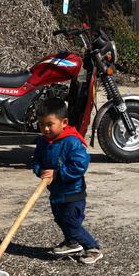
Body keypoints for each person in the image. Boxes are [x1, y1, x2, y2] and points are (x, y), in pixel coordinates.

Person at [32, 98, 103, 264]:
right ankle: (72, 242)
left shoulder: (72, 141)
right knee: (60, 218)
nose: (46, 128)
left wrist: (58, 174)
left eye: (50, 124)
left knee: (71, 222)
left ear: (64, 122)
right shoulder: (43, 142)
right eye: (42, 124)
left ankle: (92, 248)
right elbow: (36, 160)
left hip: (73, 193)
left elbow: (79, 165)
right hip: (56, 192)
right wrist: (39, 170)